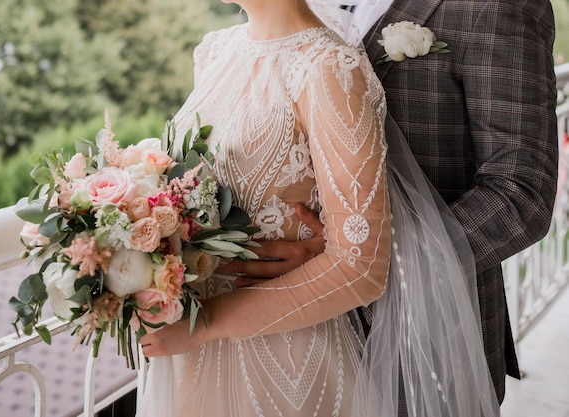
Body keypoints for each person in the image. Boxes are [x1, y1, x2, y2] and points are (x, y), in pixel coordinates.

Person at [137, 1, 502, 416]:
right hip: (188, 354)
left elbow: (361, 267)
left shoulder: (328, 67)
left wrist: (208, 324)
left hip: (284, 362)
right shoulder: (215, 51)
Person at [225, 0, 559, 408]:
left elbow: (521, 194)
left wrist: (362, 254)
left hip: (427, 341)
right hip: (288, 344)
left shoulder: (493, 6)